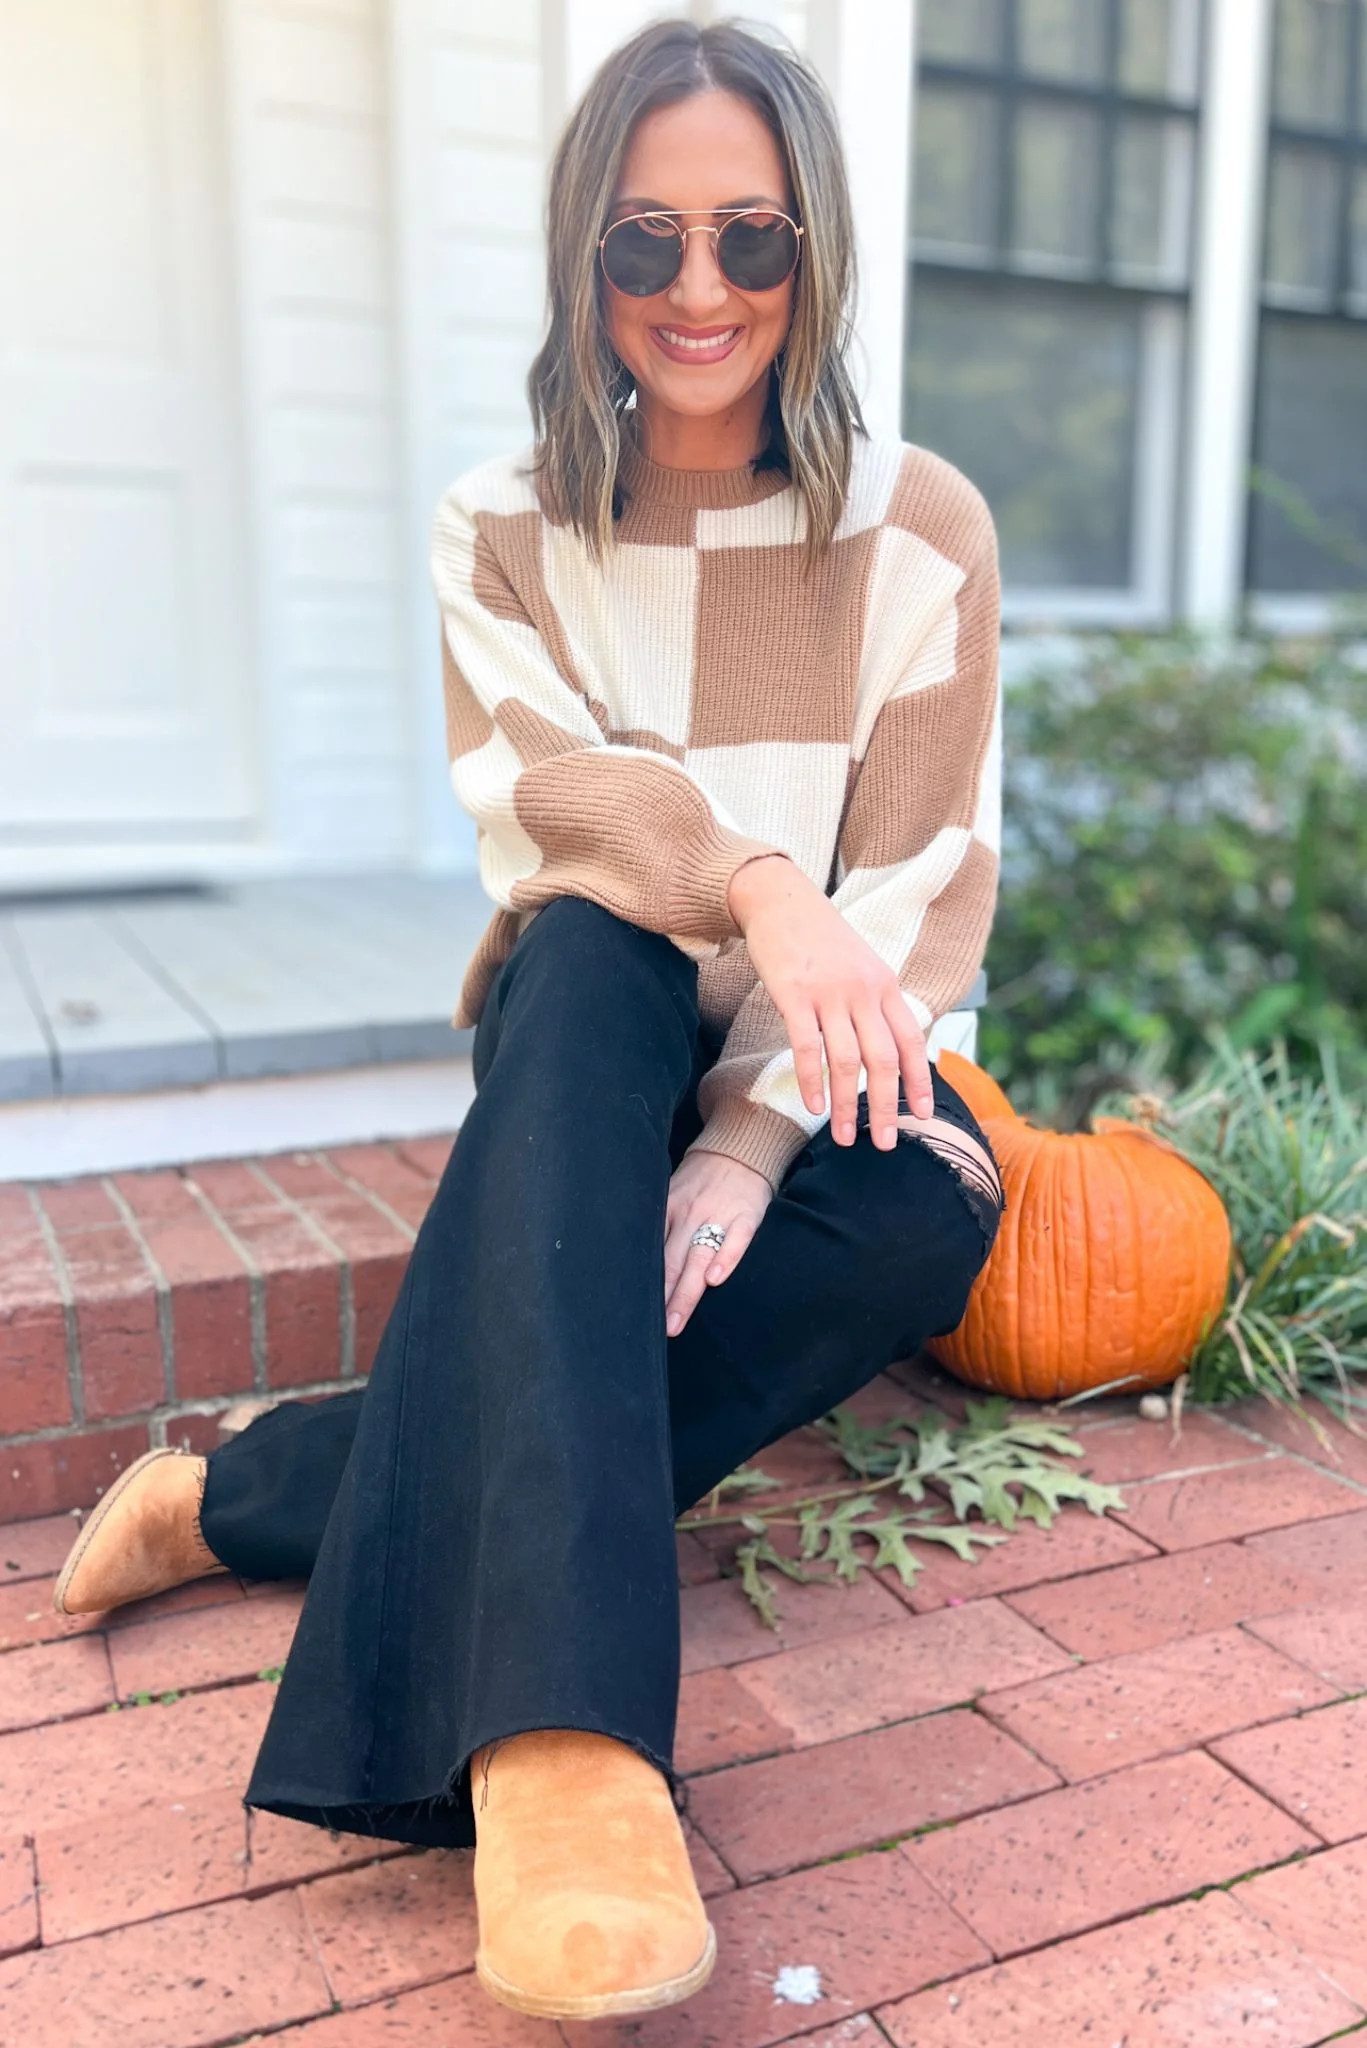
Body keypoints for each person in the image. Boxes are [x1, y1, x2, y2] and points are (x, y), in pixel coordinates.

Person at [52, 16, 1006, 2024]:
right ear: (584, 257)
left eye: (751, 241)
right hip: (591, 1048)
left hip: (793, 1078)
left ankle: (246, 1489)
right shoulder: (506, 522)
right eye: (643, 243)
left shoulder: (920, 535)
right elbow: (556, 807)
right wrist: (758, 883)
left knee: (937, 1203)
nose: (699, 294)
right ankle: (568, 1753)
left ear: (815, 250)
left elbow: (916, 894)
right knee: (590, 950)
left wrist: (750, 1151)